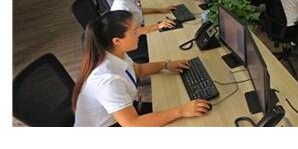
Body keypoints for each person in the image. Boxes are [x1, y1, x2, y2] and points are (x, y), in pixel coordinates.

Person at [73, 10, 211, 126]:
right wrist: (181, 111)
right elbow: (134, 125)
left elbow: (138, 70)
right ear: (117, 41)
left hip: (125, 114)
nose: (139, 33)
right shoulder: (107, 80)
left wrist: (166, 65)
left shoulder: (114, 52)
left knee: (174, 105)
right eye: (135, 32)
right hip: (113, 126)